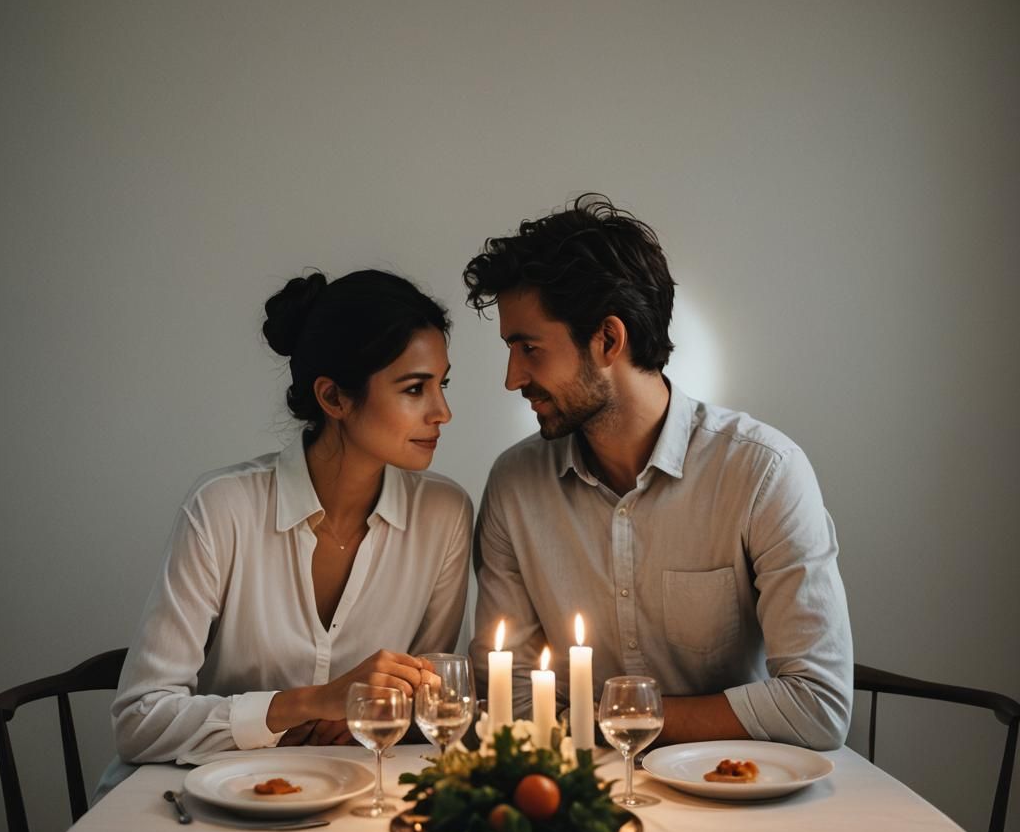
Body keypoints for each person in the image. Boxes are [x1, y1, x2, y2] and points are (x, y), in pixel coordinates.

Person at [464, 195, 852, 751]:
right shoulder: (514, 485)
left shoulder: (763, 473)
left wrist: (615, 720)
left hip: (736, 797)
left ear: (608, 340)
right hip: (580, 799)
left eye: (528, 348)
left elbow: (818, 704)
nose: (512, 377)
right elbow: (515, 699)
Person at [102, 269, 472, 787]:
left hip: (350, 802)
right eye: (415, 388)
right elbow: (139, 722)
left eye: (442, 384)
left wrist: (387, 710)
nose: (444, 412)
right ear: (334, 398)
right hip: (196, 802)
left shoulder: (445, 514)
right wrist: (308, 703)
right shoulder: (223, 508)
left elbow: (425, 698)